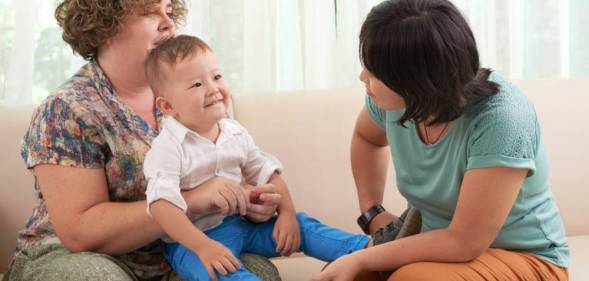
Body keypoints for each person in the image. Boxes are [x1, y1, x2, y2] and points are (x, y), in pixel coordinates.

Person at [2, 1, 284, 280]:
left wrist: (247, 203)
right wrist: (192, 201)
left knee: (256, 271)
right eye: (150, 12)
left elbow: (226, 175)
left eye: (168, 10)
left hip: (173, 253)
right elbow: (79, 233)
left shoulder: (195, 90)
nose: (168, 23)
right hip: (75, 258)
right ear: (104, 26)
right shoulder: (68, 108)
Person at [312, 0, 570, 280]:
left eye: (375, 72)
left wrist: (364, 257)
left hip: (523, 257)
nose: (363, 77)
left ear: (418, 80)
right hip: (438, 245)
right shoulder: (396, 101)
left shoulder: (503, 119)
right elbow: (367, 138)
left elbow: (464, 242)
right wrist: (372, 211)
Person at [142, 34, 370, 281]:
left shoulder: (234, 131)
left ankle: (370, 250)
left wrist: (287, 214)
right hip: (191, 240)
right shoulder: (167, 147)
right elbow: (161, 207)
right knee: (216, 271)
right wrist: (202, 247)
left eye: (217, 77)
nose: (213, 89)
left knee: (303, 226)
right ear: (167, 106)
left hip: (241, 224)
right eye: (197, 85)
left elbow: (267, 172)